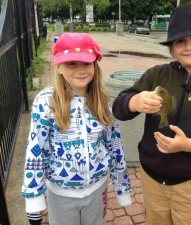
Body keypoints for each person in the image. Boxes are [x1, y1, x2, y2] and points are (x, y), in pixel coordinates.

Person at [112, 3, 191, 225]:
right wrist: (134, 101)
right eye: (180, 41)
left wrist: (187, 145)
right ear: (172, 47)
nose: (189, 46)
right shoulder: (156, 75)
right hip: (151, 180)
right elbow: (118, 109)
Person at [21, 33, 132, 225]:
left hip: (98, 191)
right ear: (58, 66)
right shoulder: (46, 102)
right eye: (72, 63)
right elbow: (36, 150)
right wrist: (33, 198)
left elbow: (115, 147)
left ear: (95, 67)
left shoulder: (103, 103)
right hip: (60, 195)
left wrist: (122, 187)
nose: (81, 70)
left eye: (87, 63)